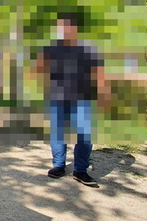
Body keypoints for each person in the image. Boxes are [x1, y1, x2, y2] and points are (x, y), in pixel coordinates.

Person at [35, 12, 107, 188]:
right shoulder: (51, 47)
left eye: (68, 25)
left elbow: (99, 72)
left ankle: (80, 170)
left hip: (83, 98)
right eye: (61, 26)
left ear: (76, 28)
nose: (64, 29)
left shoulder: (89, 47)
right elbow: (39, 69)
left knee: (84, 136)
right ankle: (58, 166)